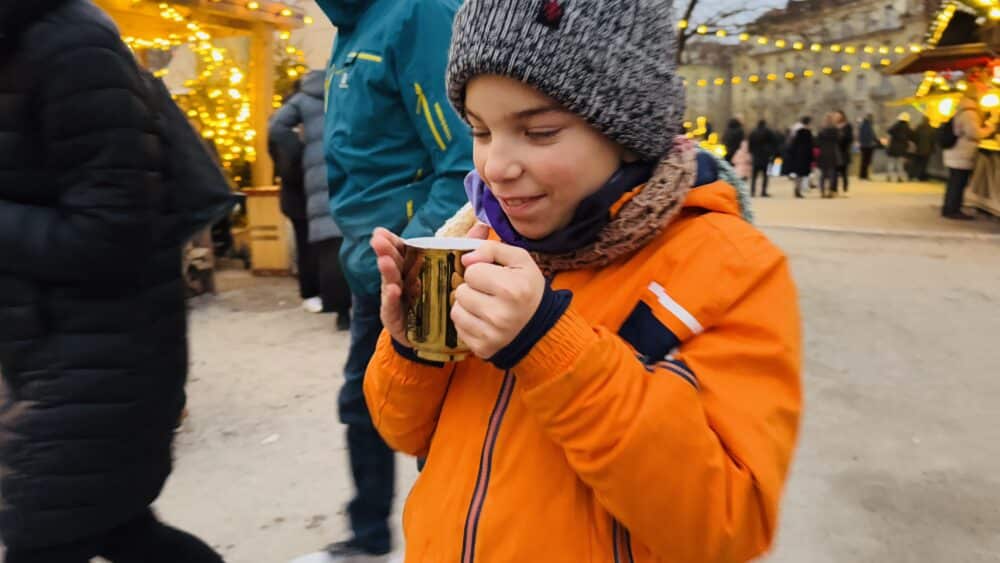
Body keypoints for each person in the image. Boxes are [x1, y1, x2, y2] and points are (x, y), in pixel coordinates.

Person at [365, 0, 803, 561]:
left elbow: (728, 522)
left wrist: (549, 344)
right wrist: (414, 347)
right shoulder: (482, 240)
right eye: (480, 130)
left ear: (627, 129)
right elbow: (405, 432)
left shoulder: (730, 269)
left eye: (539, 131)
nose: (496, 165)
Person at [0, 1, 224, 562]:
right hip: (46, 351)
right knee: (119, 527)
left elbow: (112, 230)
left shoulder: (76, 48)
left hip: (104, 352)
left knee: (49, 531)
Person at [298, 0, 474, 561]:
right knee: (364, 405)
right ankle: (370, 536)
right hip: (367, 264)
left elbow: (462, 154)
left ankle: (446, 546)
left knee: (440, 420)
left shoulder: (417, 14)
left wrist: (419, 256)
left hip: (415, 261)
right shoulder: (349, 25)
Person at [270, 71, 352, 329]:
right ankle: (359, 304)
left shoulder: (302, 100)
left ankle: (340, 313)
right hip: (345, 171)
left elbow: (276, 126)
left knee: (328, 247)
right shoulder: (343, 91)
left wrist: (297, 154)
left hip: (315, 180)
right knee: (349, 240)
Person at [942, 84, 996, 220]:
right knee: (958, 182)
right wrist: (990, 127)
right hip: (962, 153)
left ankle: (950, 208)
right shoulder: (970, 113)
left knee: (954, 181)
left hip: (956, 152)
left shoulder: (961, 110)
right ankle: (953, 209)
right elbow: (974, 133)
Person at [816, 113, 845, 198]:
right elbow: (840, 139)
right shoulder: (835, 130)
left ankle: (822, 191)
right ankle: (830, 191)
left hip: (823, 153)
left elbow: (817, 142)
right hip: (833, 153)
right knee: (832, 174)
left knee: (823, 175)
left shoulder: (821, 130)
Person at [786, 116, 815, 198]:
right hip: (805, 155)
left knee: (798, 173)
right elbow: (811, 145)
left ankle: (797, 189)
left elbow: (792, 144)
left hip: (797, 155)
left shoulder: (796, 132)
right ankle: (799, 189)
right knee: (802, 174)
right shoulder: (808, 133)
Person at [748, 120, 779, 197]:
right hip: (765, 156)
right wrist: (772, 153)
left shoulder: (753, 132)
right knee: (765, 175)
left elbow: (750, 144)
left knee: (754, 176)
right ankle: (763, 191)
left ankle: (752, 191)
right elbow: (775, 142)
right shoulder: (768, 132)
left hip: (756, 156)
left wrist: (751, 152)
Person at [885, 112, 913, 182]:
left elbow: (889, 131)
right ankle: (900, 177)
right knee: (900, 164)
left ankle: (889, 177)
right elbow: (912, 135)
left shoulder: (896, 125)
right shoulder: (907, 128)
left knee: (891, 163)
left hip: (893, 148)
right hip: (902, 148)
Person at [910, 116, 937, 182]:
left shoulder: (919, 128)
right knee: (924, 164)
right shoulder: (931, 129)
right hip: (927, 150)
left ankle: (913, 176)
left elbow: (913, 137)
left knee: (916, 163)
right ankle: (920, 177)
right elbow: (933, 140)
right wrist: (933, 149)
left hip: (918, 149)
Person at [833, 110, 854, 194]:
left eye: (838, 115)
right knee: (834, 172)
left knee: (844, 172)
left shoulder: (847, 126)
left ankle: (845, 188)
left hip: (844, 151)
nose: (837, 117)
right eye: (835, 116)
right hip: (834, 151)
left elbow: (850, 138)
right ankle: (834, 189)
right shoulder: (833, 126)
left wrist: (842, 136)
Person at [857, 113, 878, 180]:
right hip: (868, 146)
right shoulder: (868, 125)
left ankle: (862, 175)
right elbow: (872, 135)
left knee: (864, 161)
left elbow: (860, 136)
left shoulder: (863, 125)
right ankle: (864, 176)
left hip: (863, 145)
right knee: (866, 161)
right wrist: (878, 142)